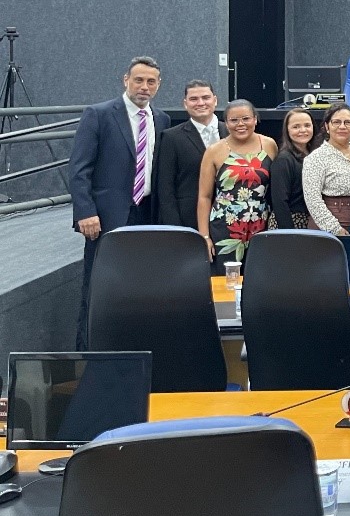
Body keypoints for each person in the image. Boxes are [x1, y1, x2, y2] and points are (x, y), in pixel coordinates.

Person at [69, 56, 171, 349]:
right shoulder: (99, 114)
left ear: (158, 85)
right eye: (138, 80)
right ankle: (87, 357)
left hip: (146, 214)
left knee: (139, 288)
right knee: (97, 290)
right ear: (125, 79)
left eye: (151, 81)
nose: (144, 87)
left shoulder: (161, 119)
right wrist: (85, 212)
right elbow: (79, 169)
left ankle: (131, 350)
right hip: (106, 218)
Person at [196, 100, 277, 263]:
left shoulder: (269, 145)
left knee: (257, 277)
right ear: (226, 123)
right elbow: (204, 197)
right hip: (225, 227)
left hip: (261, 225)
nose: (241, 124)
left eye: (246, 118)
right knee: (227, 279)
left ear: (255, 119)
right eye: (234, 120)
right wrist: (204, 236)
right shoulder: (214, 151)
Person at [155, 79, 225, 232]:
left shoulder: (231, 133)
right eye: (194, 99)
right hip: (187, 220)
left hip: (229, 220)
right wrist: (174, 227)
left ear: (215, 100)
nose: (200, 103)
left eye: (206, 97)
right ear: (185, 104)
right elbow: (165, 188)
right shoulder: (171, 137)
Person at [302, 103, 350, 234]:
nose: (342, 126)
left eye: (348, 122)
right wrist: (335, 229)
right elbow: (312, 199)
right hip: (330, 226)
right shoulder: (316, 158)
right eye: (336, 122)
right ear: (327, 126)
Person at [269, 108, 317, 230]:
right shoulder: (283, 160)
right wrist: (289, 233)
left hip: (311, 222)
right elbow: (280, 201)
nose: (303, 130)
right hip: (289, 223)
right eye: (296, 127)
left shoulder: (315, 155)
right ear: (287, 130)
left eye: (307, 125)